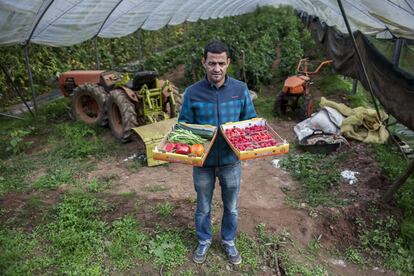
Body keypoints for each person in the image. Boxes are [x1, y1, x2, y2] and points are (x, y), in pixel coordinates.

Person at [178, 41, 257, 265]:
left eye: (221, 63)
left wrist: (250, 134)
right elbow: (183, 124)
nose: (216, 68)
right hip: (203, 161)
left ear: (228, 63)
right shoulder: (192, 93)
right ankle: (204, 240)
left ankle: (228, 240)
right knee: (203, 205)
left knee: (231, 206)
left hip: (231, 161)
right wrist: (191, 139)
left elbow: (250, 121)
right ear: (203, 62)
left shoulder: (240, 90)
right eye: (212, 63)